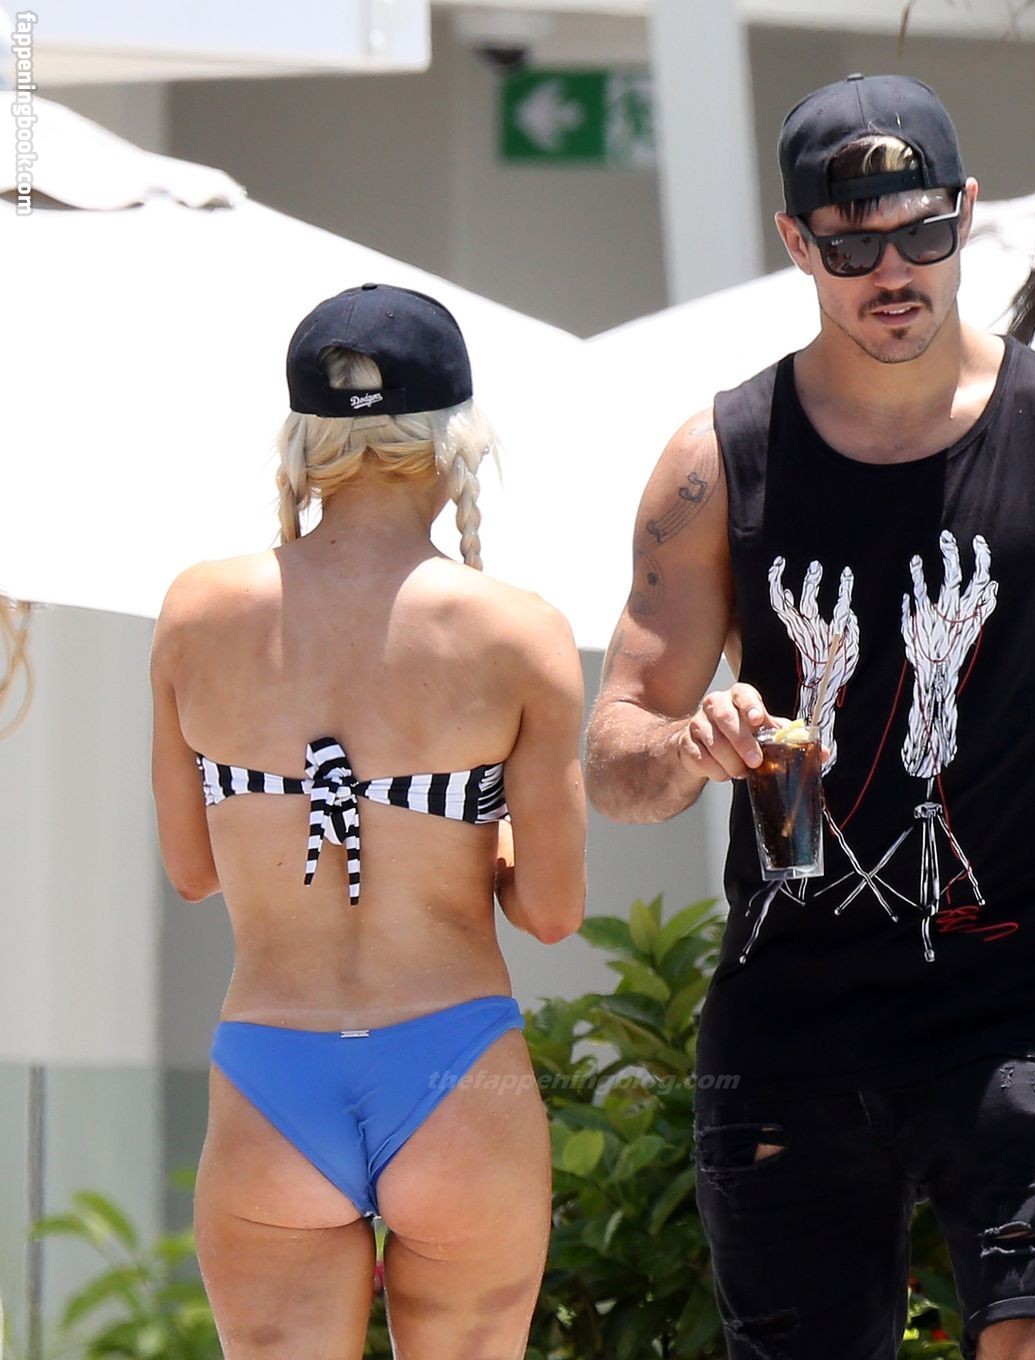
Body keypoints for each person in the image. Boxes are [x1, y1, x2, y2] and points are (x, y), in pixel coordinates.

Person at [584, 75, 1035, 1360]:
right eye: (853, 245)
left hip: (1024, 992)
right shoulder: (719, 460)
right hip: (790, 1012)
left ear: (966, 215)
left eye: (923, 233)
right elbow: (613, 755)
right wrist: (687, 745)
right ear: (798, 244)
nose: (893, 272)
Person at [150, 283, 586, 1358]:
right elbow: (552, 911)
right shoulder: (518, 633)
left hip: (272, 1064)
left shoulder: (197, 613)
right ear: (454, 440)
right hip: (456, 1065)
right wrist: (465, 833)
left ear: (305, 442)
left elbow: (192, 870)